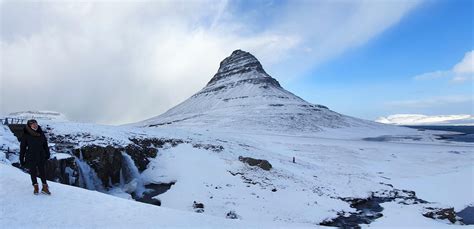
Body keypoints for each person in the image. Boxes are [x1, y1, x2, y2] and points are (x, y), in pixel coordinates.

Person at [20, 119, 51, 195]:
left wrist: (47, 153)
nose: (35, 125)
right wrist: (21, 159)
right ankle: (35, 187)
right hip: (31, 156)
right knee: (33, 172)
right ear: (30, 126)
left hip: (41, 155)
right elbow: (23, 148)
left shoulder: (40, 132)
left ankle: (45, 187)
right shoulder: (26, 134)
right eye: (33, 124)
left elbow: (45, 144)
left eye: (36, 123)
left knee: (42, 172)